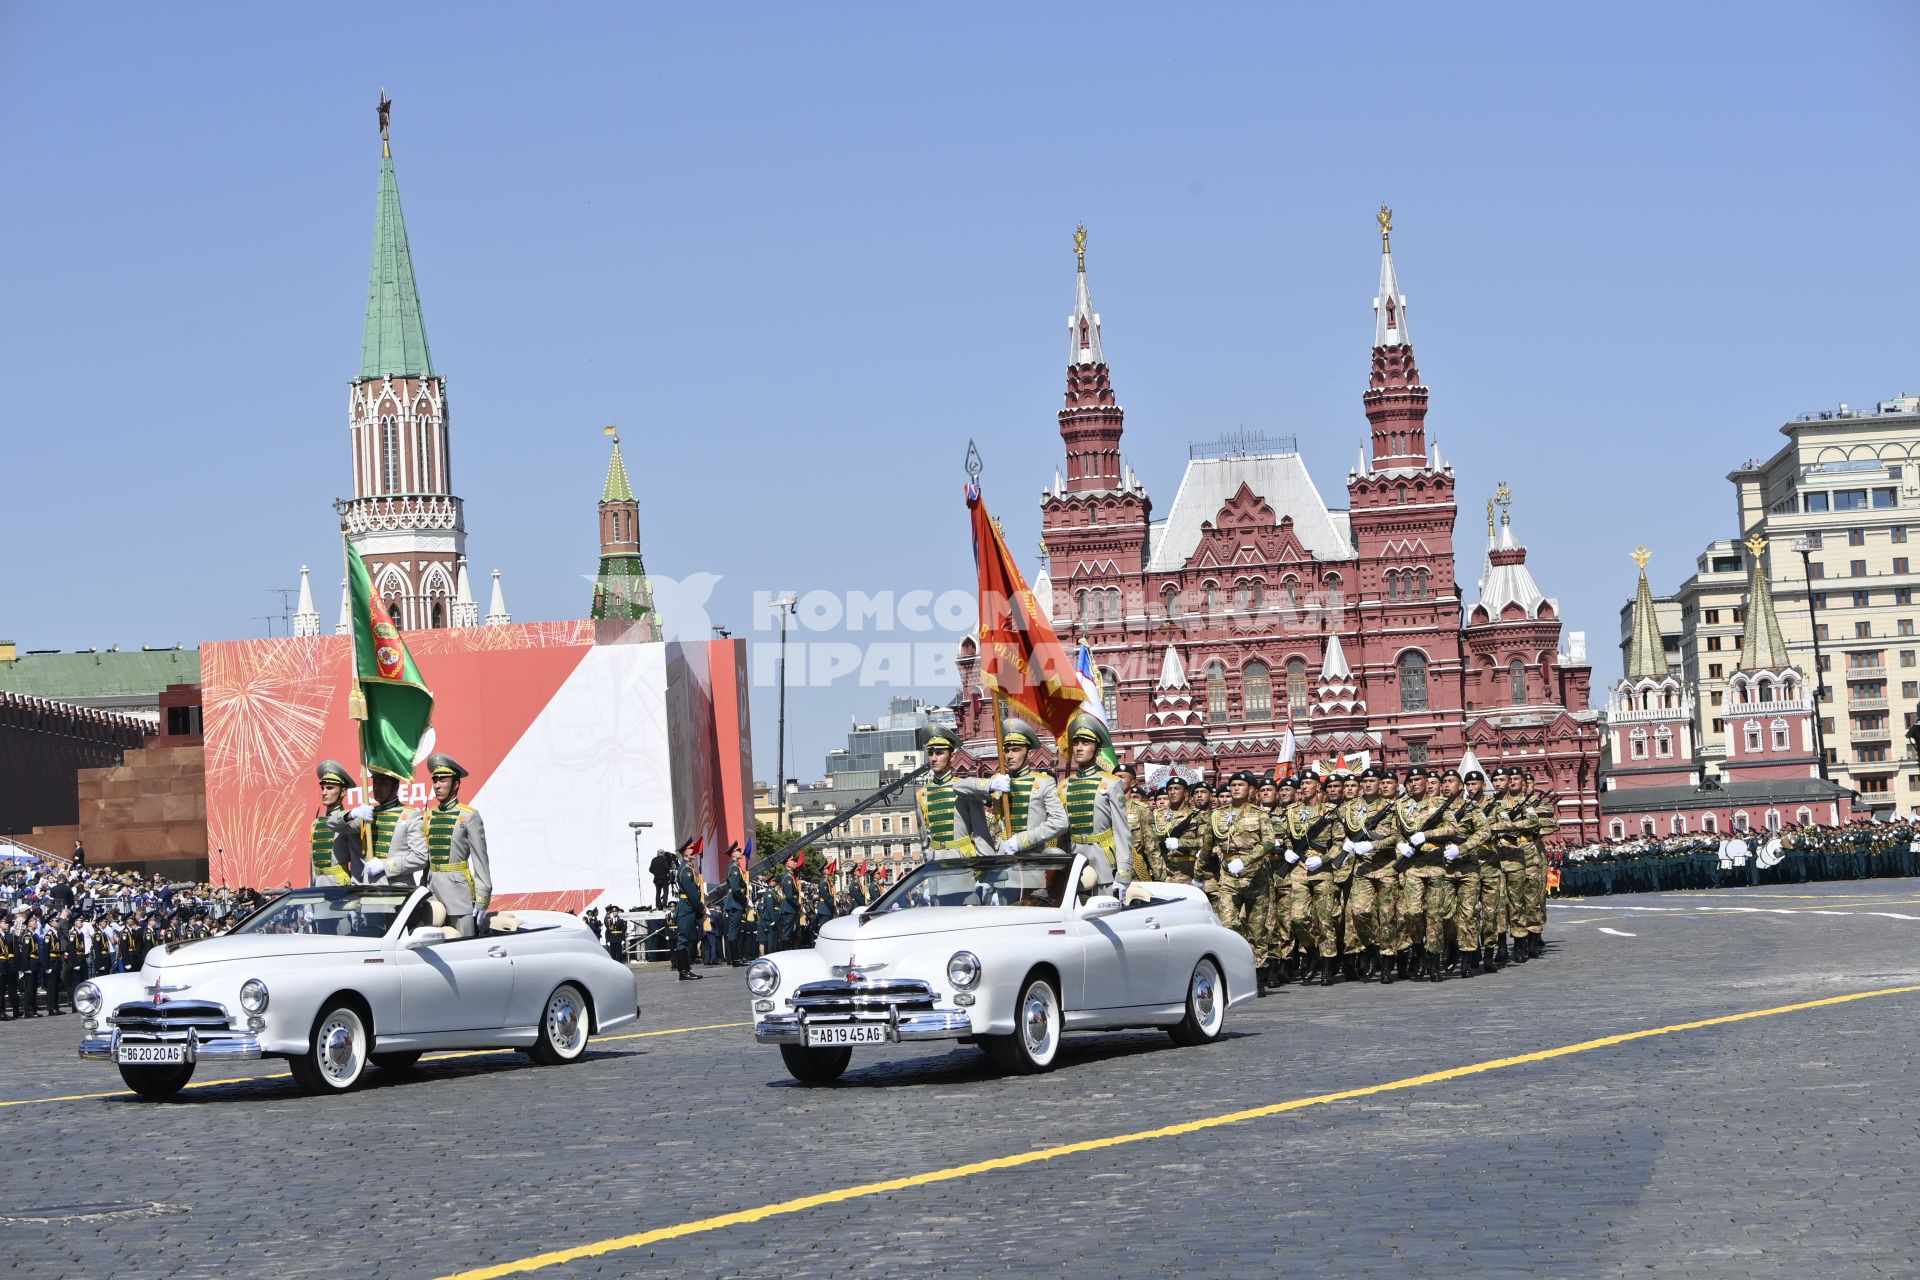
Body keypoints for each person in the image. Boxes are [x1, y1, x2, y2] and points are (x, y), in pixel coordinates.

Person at [385, 754, 492, 937]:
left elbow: (481, 861)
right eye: (435, 780)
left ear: (456, 784)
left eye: (443, 780)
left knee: (464, 948)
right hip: (433, 892)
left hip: (459, 894)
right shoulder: (428, 816)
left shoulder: (469, 816)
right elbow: (426, 861)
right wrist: (422, 889)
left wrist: (482, 900)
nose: (437, 785)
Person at [952, 718, 1068, 857]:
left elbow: (1060, 822)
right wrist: (990, 785)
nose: (1009, 756)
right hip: (1003, 858)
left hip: (1033, 859)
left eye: (1016, 750)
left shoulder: (1044, 782)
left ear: (1030, 753)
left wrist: (1021, 842)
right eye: (1006, 750)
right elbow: (959, 787)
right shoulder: (999, 781)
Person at [1202, 770, 1272, 993]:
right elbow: (1206, 846)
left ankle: (1259, 973)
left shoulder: (1259, 814)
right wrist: (1198, 874)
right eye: (1232, 785)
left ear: (1251, 790)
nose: (1235, 788)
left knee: (1257, 930)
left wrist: (1247, 860)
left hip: (1255, 878)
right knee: (1229, 925)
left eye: (1241, 785)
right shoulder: (1217, 815)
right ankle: (1239, 969)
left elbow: (1269, 842)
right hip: (1228, 877)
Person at [1060, 713, 1132, 896]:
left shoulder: (1111, 783)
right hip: (1075, 861)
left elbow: (1121, 831)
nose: (1079, 748)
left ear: (1097, 750)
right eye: (1076, 743)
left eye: (1085, 743)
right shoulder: (1064, 786)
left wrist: (1123, 872)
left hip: (1103, 863)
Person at [330, 767, 426, 887]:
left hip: (396, 891)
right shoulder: (367, 815)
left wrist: (385, 865)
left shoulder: (411, 816)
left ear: (395, 787)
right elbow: (332, 823)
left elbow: (420, 858)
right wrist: (352, 814)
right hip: (367, 889)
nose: (377, 787)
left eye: (383, 783)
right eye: (375, 782)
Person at [915, 724, 992, 860]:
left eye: (939, 753)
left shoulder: (965, 788)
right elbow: (924, 839)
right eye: (931, 753)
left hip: (962, 858)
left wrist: (986, 869)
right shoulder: (921, 793)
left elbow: (981, 834)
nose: (933, 758)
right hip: (936, 862)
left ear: (952, 756)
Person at [309, 759, 359, 886]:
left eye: (330, 788)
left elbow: (357, 857)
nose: (324, 792)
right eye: (323, 788)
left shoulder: (349, 820)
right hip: (317, 883)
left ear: (342, 792)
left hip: (339, 883)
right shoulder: (316, 823)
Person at [672, 849, 705, 980]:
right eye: (692, 849)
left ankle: (685, 970)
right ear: (685, 853)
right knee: (683, 940)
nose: (695, 851)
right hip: (687, 907)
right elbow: (691, 892)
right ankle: (684, 971)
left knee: (685, 939)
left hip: (688, 906)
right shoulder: (685, 870)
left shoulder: (687, 868)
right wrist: (700, 906)